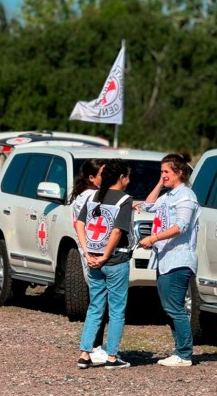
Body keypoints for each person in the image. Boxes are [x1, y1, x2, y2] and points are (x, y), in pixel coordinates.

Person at [139, 152, 200, 367]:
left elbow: (181, 226)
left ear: (180, 173)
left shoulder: (186, 197)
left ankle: (184, 353)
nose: (163, 175)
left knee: (175, 307)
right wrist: (160, 182)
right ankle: (179, 349)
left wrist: (153, 238)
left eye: (166, 172)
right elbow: (147, 206)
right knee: (168, 307)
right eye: (161, 172)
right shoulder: (169, 195)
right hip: (164, 259)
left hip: (179, 258)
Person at [75, 158, 134, 370]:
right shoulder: (125, 200)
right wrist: (106, 256)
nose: (128, 180)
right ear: (121, 178)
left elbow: (80, 224)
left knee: (95, 307)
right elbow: (117, 231)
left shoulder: (92, 196)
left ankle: (84, 353)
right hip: (115, 260)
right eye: (127, 176)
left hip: (93, 259)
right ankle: (111, 356)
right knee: (117, 310)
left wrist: (87, 252)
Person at [70, 158, 108, 364]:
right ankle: (94, 347)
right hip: (95, 254)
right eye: (104, 174)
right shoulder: (94, 197)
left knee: (97, 301)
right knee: (100, 303)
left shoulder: (81, 197)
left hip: (87, 252)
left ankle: (94, 346)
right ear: (92, 178)